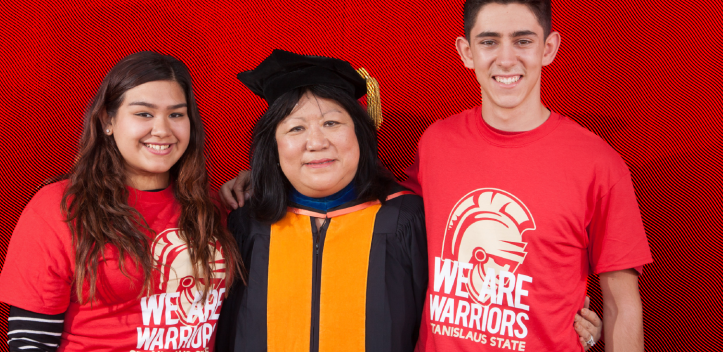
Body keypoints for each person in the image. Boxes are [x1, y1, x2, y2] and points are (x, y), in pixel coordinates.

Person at [219, 0, 648, 350]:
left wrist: (588, 329)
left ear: (549, 47)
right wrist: (265, 176)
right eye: (488, 41)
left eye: (523, 40)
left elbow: (622, 304)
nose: (506, 58)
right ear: (466, 51)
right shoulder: (438, 143)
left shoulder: (598, 163)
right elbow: (363, 186)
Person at [0, 51, 240, 352]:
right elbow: (29, 342)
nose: (162, 129)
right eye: (144, 114)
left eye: (176, 114)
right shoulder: (61, 208)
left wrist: (258, 183)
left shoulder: (213, 209)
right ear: (108, 121)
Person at [213, 49, 429, 352]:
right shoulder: (245, 223)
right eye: (296, 128)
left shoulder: (404, 220)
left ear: (360, 134)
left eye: (332, 123)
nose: (316, 142)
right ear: (273, 146)